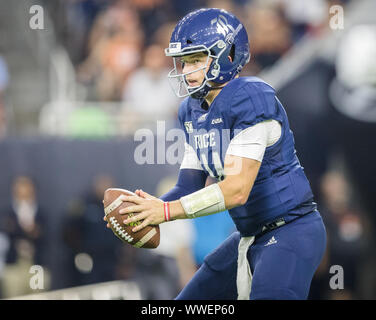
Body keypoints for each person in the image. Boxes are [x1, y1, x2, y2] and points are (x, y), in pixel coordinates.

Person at [104, 8, 326, 300]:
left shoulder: (251, 97)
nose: (186, 70)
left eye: (196, 59)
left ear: (228, 55)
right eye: (183, 62)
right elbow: (187, 187)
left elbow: (236, 190)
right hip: (249, 235)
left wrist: (165, 212)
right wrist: (148, 212)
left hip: (290, 231)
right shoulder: (191, 110)